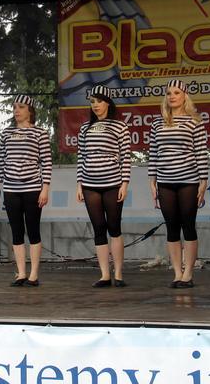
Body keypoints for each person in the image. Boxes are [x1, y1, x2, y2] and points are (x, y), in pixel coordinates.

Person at [148, 79, 209, 289]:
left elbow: (201, 153)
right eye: (168, 93)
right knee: (172, 227)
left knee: (188, 225)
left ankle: (188, 273)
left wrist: (203, 181)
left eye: (176, 92)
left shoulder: (194, 121)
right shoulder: (157, 123)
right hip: (165, 182)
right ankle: (177, 273)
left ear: (184, 96)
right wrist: (152, 181)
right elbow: (153, 153)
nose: (172, 96)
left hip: (188, 181)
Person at [0, 95, 52, 287]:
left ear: (30, 110)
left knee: (33, 230)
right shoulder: (7, 133)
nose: (17, 110)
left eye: (21, 107)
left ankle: (33, 274)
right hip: (11, 188)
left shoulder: (40, 133)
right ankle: (21, 273)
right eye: (15, 107)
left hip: (32, 187)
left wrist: (45, 189)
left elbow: (46, 162)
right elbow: (1, 160)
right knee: (16, 231)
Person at [76, 85, 131, 288]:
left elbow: (126, 157)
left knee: (114, 227)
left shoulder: (119, 126)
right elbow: (81, 157)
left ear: (108, 102)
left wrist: (124, 183)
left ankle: (118, 273)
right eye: (92, 101)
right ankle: (104, 275)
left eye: (99, 101)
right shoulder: (85, 128)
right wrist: (79, 184)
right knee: (99, 228)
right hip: (90, 184)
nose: (96, 105)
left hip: (112, 183)